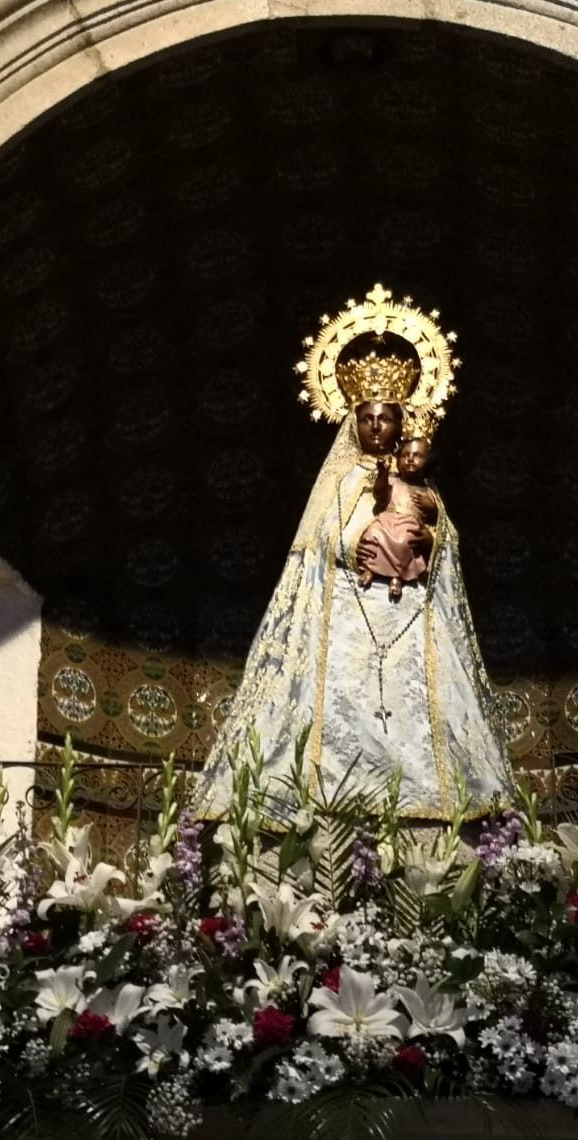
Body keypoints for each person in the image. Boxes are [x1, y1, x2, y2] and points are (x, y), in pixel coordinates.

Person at [197, 286, 516, 820]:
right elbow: (319, 541)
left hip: (410, 616)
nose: (376, 427)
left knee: (421, 708)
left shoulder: (420, 483)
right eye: (366, 418)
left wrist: (431, 540)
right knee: (341, 705)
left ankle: (431, 800)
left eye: (386, 418)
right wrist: (356, 541)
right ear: (352, 420)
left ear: (401, 422)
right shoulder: (343, 480)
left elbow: (445, 539)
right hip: (348, 611)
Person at [357, 435, 440, 601]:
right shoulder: (393, 481)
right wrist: (382, 474)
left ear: (427, 461)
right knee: (373, 534)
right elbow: (379, 493)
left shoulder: (428, 490)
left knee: (404, 542)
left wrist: (431, 507)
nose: (410, 459)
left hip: (409, 524)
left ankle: (397, 577)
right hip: (387, 519)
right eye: (405, 455)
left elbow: (438, 518)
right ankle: (369, 569)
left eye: (417, 456)